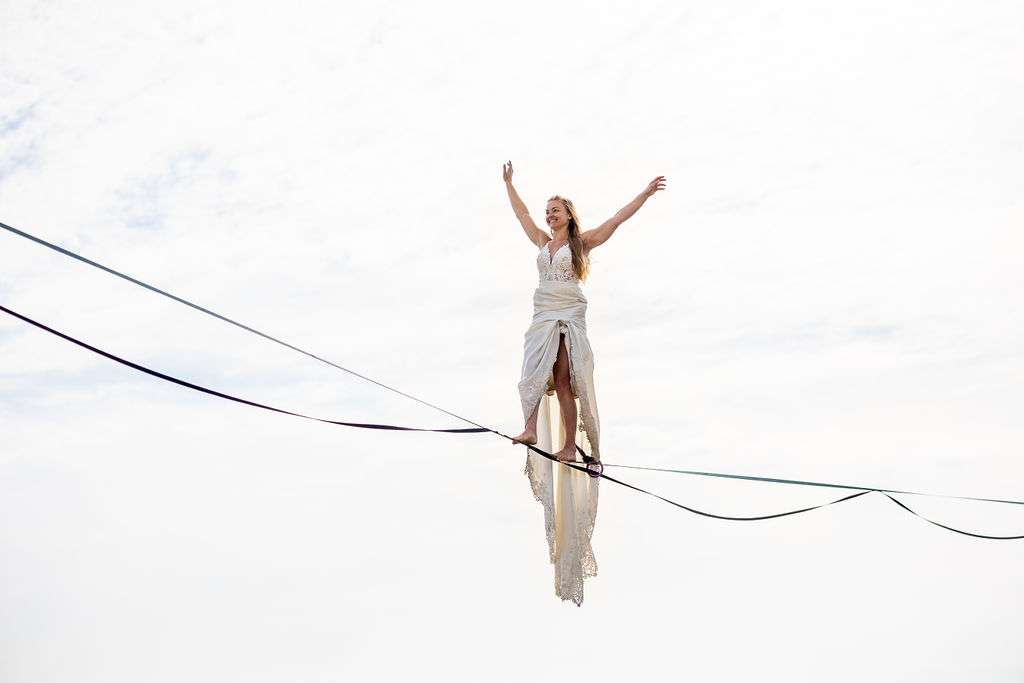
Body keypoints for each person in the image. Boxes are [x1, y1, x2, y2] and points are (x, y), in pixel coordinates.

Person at [502, 160, 666, 605]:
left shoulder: (582, 243)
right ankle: (530, 426)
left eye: (555, 210)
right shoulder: (541, 241)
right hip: (543, 311)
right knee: (532, 375)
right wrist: (510, 185)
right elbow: (521, 215)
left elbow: (617, 219)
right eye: (547, 211)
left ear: (568, 215)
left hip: (568, 312)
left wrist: (645, 194)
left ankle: (569, 446)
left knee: (563, 380)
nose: (549, 215)